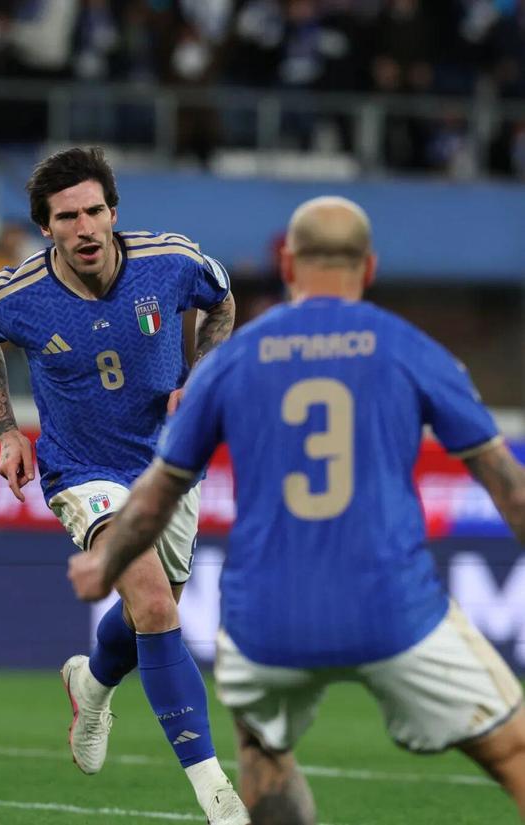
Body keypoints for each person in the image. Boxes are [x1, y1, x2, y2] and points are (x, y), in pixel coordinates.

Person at [68, 195, 525, 824]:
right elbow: (509, 486)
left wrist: (106, 562)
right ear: (370, 267)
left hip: (265, 618)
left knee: (265, 753)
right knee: (513, 752)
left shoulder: (233, 359)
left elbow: (157, 492)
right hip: (390, 604)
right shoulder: (411, 350)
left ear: (287, 264)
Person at [0, 146, 249, 825]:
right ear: (46, 227)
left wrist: (201, 377)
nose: (84, 227)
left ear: (113, 212)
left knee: (155, 609)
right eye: (67, 217)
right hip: (81, 470)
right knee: (152, 602)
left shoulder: (170, 261)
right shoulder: (17, 295)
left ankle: (90, 682)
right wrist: (6, 429)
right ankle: (219, 796)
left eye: (94, 211)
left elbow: (222, 301)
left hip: (169, 466)